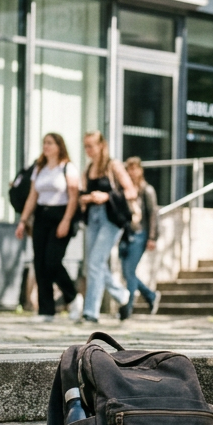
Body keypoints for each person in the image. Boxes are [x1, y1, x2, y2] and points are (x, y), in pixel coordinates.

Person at [15, 133, 81, 322]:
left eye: (50, 143)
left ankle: (73, 297)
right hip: (41, 217)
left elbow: (73, 197)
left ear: (59, 146)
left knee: (52, 261)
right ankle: (46, 310)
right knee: (40, 263)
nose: (46, 146)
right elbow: (32, 197)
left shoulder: (68, 168)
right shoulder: (40, 168)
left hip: (61, 215)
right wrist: (23, 220)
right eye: (44, 143)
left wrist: (66, 220)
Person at [77, 131, 138, 324]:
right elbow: (81, 194)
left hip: (110, 218)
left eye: (91, 145)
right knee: (94, 264)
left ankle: (90, 312)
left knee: (95, 262)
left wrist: (106, 196)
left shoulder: (113, 165)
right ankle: (122, 295)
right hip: (93, 217)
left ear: (101, 145)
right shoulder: (88, 168)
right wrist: (87, 198)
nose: (88, 150)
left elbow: (131, 191)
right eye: (85, 146)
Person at [119, 156, 160, 318]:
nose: (132, 172)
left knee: (129, 271)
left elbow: (153, 215)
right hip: (127, 234)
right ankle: (150, 295)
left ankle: (127, 308)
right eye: (129, 169)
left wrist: (152, 237)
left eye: (134, 168)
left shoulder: (147, 190)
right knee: (127, 272)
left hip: (141, 233)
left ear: (140, 170)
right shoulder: (125, 190)